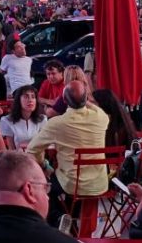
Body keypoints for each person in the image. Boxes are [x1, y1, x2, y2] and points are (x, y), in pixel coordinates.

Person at [27, 75, 110, 224]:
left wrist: (44, 165)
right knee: (66, 182)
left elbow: (32, 150)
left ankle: (58, 218)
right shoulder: (101, 117)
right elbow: (92, 107)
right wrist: (82, 97)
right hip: (100, 183)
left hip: (71, 184)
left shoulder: (56, 123)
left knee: (47, 186)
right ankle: (71, 222)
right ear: (87, 99)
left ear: (64, 101)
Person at [0, 84, 45, 150]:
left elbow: (44, 144)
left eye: (33, 97)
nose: (30, 100)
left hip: (38, 154)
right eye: (26, 97)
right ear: (18, 100)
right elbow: (11, 149)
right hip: (18, 155)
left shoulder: (42, 119)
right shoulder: (7, 120)